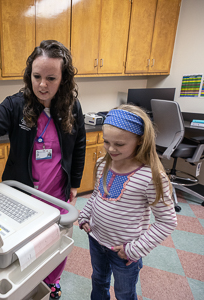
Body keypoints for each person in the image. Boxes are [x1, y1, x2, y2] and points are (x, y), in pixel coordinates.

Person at [0, 40, 86, 299]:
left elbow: (79, 146)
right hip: (21, 193)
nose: (42, 85)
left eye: (51, 78)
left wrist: (75, 184)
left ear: (63, 79)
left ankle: (52, 282)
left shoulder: (72, 108)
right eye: (37, 76)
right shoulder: (14, 105)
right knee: (25, 250)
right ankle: (27, 285)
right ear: (29, 74)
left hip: (56, 193)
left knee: (56, 243)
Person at [78, 104, 178, 300]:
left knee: (124, 293)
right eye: (106, 142)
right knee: (98, 280)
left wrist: (134, 250)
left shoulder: (150, 176)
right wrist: (84, 215)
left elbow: (167, 222)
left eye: (120, 144)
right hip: (96, 241)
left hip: (125, 253)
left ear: (140, 140)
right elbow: (97, 196)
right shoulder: (102, 165)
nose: (111, 149)